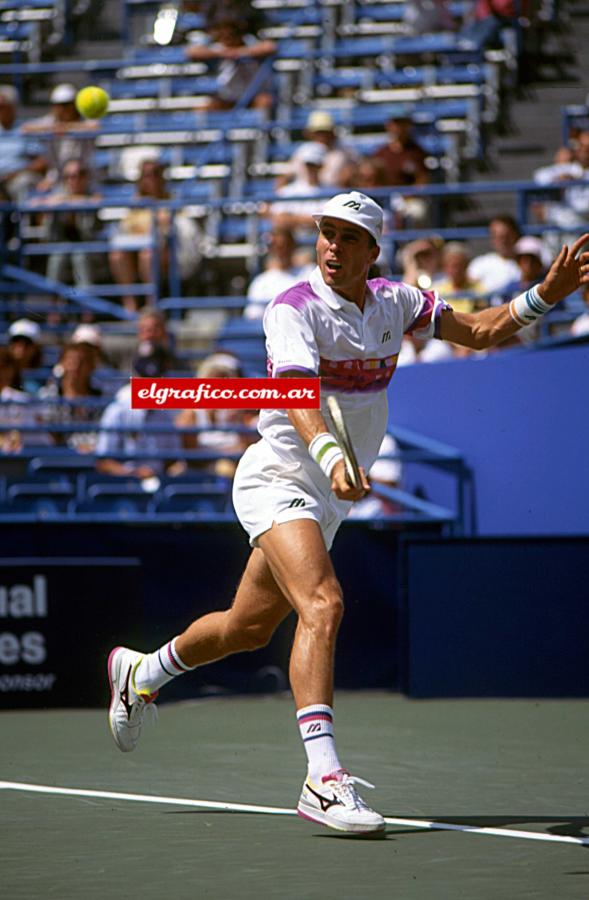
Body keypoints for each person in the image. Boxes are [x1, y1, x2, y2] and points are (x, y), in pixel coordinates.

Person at [106, 190, 589, 835]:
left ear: (372, 251)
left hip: (329, 494)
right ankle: (322, 779)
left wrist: (546, 294)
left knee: (247, 628)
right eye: (326, 233)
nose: (332, 246)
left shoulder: (398, 302)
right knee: (324, 604)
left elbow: (478, 330)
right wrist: (333, 455)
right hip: (279, 477)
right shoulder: (292, 309)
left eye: (348, 237)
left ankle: (142, 670)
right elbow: (297, 394)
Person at [109, 157, 200, 312]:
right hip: (136, 248)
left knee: (147, 255)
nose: (150, 179)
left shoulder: (171, 200)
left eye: (154, 174)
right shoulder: (135, 204)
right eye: (146, 174)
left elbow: (177, 227)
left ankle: (151, 303)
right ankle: (129, 303)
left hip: (166, 252)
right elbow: (126, 227)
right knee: (117, 255)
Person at [185, 13, 276, 111]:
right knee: (203, 108)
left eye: (232, 31)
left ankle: (262, 126)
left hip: (253, 95)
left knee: (265, 101)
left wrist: (240, 52)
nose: (227, 35)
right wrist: (223, 53)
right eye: (223, 31)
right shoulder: (216, 47)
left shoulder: (250, 42)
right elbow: (191, 51)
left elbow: (270, 47)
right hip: (227, 97)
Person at [40, 158, 102, 288]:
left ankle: (87, 305)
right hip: (61, 245)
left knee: (80, 256)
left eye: (79, 175)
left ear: (86, 177)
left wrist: (77, 202)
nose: (74, 180)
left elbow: (91, 232)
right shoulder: (57, 197)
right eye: (69, 176)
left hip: (88, 245)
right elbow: (35, 205)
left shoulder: (94, 196)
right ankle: (53, 304)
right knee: (57, 257)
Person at [244, 227, 314, 320]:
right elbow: (253, 317)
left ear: (293, 246)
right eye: (276, 246)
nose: (282, 251)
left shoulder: (310, 272)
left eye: (286, 245)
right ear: (270, 249)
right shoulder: (261, 282)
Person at [0, 84, 47, 201]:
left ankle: (22, 218)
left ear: (12, 107)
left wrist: (16, 173)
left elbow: (41, 162)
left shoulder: (25, 130)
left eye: (2, 106)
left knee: (23, 183)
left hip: (19, 178)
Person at [467, 214, 521, 294]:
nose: (503, 241)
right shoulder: (479, 264)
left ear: (515, 235)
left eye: (506, 236)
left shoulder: (529, 264)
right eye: (497, 236)